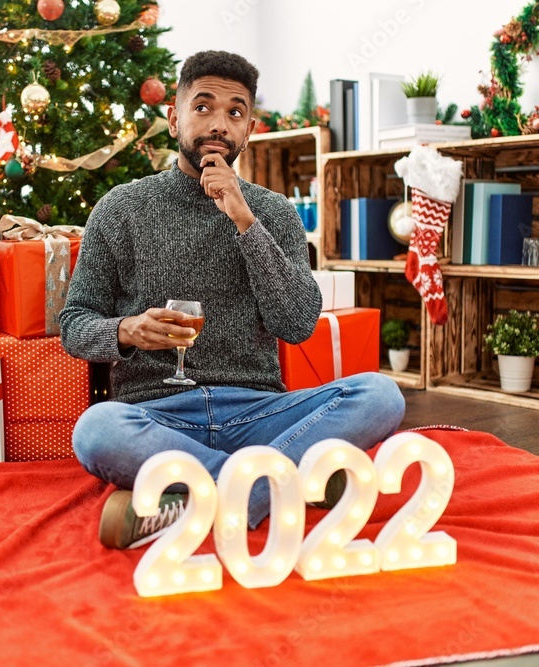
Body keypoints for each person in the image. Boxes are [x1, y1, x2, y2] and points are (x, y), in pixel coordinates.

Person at [59, 50, 405, 549]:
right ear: (174, 116)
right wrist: (126, 330)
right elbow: (74, 324)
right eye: (203, 107)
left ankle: (196, 498)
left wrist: (245, 222)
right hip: (156, 416)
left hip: (261, 413)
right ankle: (279, 484)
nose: (219, 123)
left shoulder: (273, 212)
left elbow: (298, 323)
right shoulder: (121, 208)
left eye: (235, 112)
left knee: (380, 395)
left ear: (250, 129)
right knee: (95, 429)